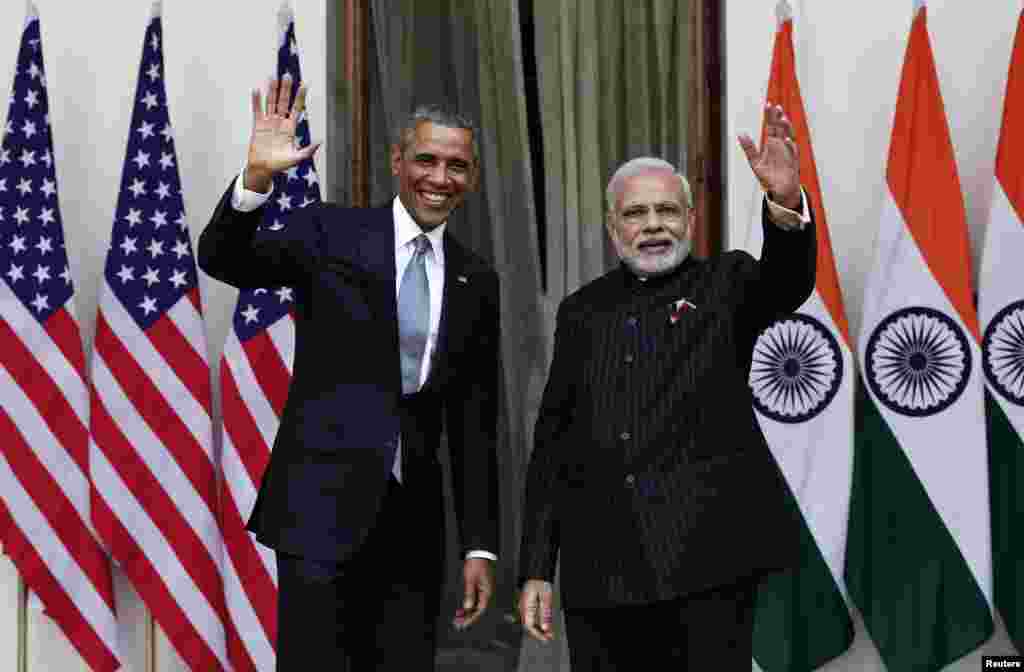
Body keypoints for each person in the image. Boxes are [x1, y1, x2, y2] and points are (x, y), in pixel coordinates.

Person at [198, 77, 500, 671]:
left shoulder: (475, 277)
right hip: (318, 511)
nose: (441, 179)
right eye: (427, 160)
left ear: (472, 177)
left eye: (457, 166)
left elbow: (474, 422)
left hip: (412, 531)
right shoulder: (330, 232)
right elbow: (223, 258)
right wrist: (256, 178)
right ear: (397, 161)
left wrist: (480, 544)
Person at [517, 103, 816, 669]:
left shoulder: (729, 283)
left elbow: (787, 282)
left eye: (666, 210)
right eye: (636, 213)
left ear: (690, 220)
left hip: (706, 566)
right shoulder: (581, 312)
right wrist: (537, 565)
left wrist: (783, 205)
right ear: (613, 228)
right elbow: (554, 444)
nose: (653, 225)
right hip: (601, 577)